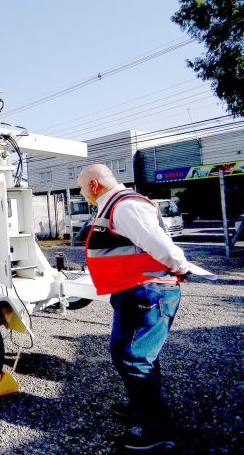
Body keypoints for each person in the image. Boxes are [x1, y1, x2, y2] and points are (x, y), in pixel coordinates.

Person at [77, 164, 190, 452]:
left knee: (132, 355)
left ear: (93, 185)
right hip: (137, 291)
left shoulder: (124, 207)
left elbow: (159, 244)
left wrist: (181, 267)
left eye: (80, 188)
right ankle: (143, 410)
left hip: (147, 291)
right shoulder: (116, 205)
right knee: (137, 355)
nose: (81, 193)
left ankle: (156, 429)